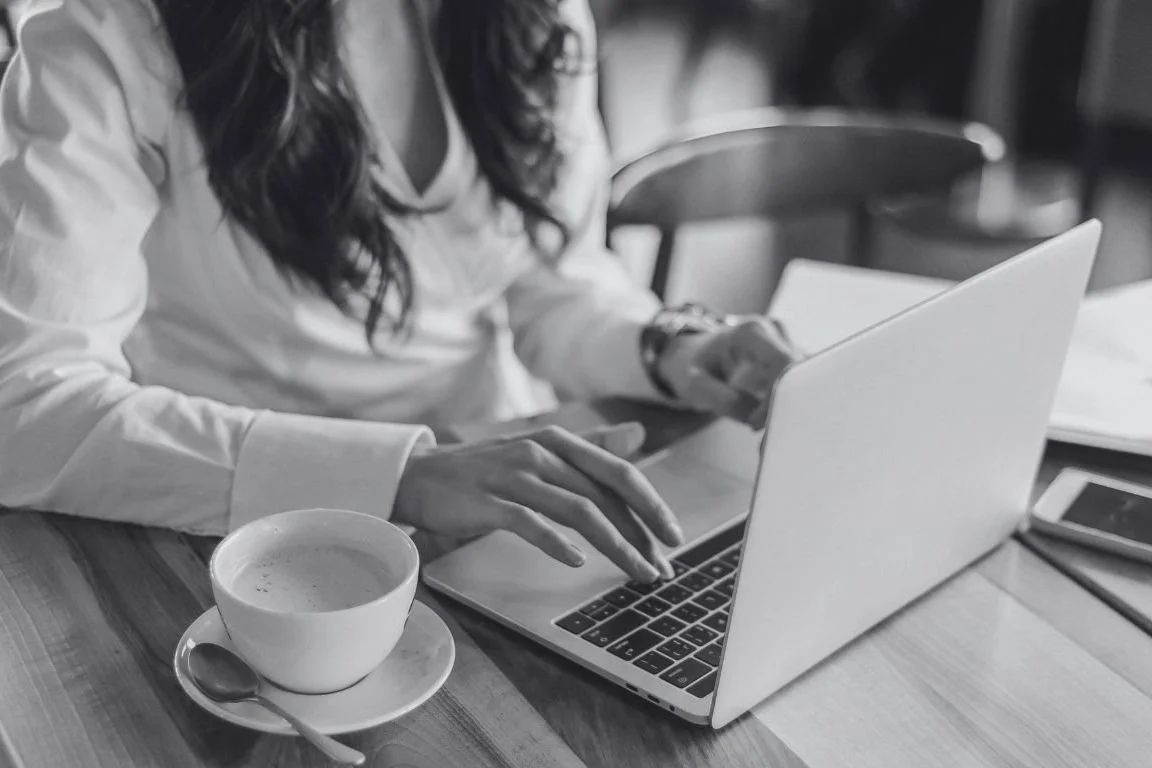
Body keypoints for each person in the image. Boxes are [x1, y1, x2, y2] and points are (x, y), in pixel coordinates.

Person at [0, 0, 795, 584]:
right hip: (243, 542)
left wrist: (670, 347)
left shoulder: (533, 17)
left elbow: (553, 282)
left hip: (509, 500)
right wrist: (400, 476)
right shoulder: (111, 40)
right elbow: (26, 410)